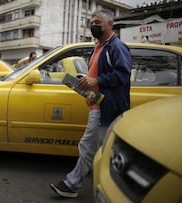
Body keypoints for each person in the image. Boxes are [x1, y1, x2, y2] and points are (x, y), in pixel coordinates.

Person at [50, 9, 131, 198]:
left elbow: (123, 74)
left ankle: (73, 184)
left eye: (98, 22)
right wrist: (86, 81)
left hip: (107, 107)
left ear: (110, 24)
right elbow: (97, 74)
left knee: (90, 146)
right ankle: (110, 187)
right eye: (92, 22)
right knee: (102, 148)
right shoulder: (98, 46)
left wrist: (97, 81)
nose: (94, 26)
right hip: (97, 102)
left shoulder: (116, 47)